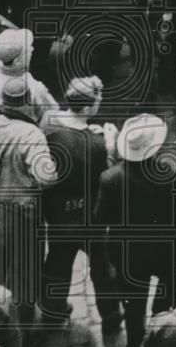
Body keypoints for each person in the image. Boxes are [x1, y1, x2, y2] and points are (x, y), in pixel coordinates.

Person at [95, 114, 176, 347]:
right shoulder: (166, 172)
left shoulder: (110, 178)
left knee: (134, 308)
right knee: (165, 301)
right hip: (166, 250)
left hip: (129, 255)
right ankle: (160, 344)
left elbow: (100, 221)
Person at [0, 77, 58, 328]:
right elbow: (47, 177)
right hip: (19, 212)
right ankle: (21, 333)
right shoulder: (30, 134)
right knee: (24, 273)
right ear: (28, 102)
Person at [39, 77, 119, 328]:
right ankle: (111, 317)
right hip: (90, 216)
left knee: (57, 263)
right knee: (102, 267)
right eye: (96, 102)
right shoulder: (95, 144)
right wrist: (110, 145)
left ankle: (53, 313)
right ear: (87, 109)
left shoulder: (49, 125)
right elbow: (106, 176)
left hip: (58, 214)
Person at [0, 29, 59, 130]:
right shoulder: (35, 88)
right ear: (17, 61)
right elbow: (53, 115)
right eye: (27, 49)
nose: (32, 48)